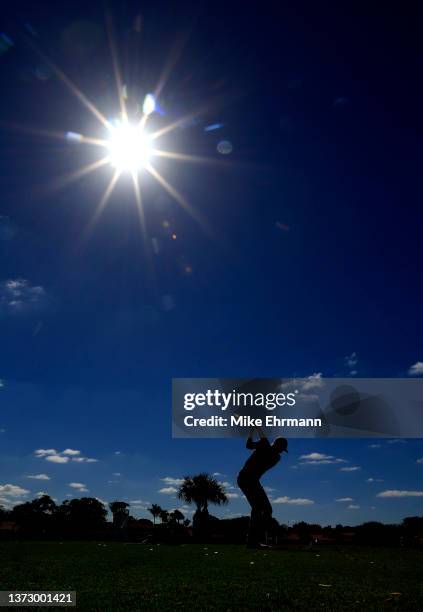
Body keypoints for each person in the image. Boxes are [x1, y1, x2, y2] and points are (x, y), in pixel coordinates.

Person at [237, 429, 288, 548]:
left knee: (265, 509)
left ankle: (254, 539)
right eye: (281, 448)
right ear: (276, 445)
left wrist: (254, 428)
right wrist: (253, 429)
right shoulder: (265, 447)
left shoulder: (275, 456)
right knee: (260, 508)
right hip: (246, 479)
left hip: (251, 480)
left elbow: (252, 444)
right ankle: (253, 541)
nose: (281, 451)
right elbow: (249, 445)